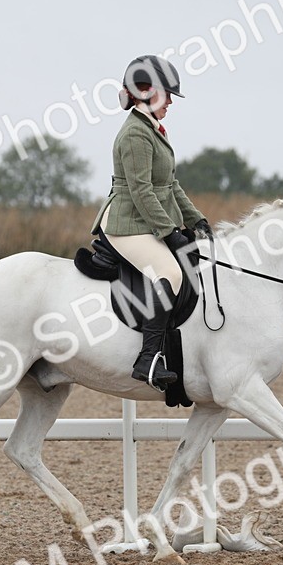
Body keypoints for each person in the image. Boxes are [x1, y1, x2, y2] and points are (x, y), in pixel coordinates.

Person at [90, 55, 211, 391]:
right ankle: (148, 360)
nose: (171, 101)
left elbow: (170, 185)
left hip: (144, 221)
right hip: (127, 224)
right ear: (146, 92)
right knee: (170, 273)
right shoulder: (135, 134)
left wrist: (196, 219)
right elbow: (142, 192)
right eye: (167, 94)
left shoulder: (152, 130)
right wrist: (170, 234)